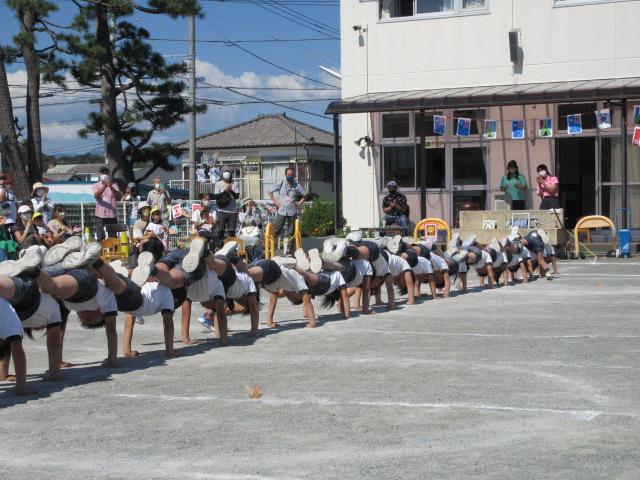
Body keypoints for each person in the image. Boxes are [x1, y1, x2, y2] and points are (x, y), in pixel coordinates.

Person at [268, 167, 307, 256]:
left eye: (292, 175)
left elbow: (305, 195)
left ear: (294, 176)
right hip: (282, 210)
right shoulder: (280, 183)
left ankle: (289, 250)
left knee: (291, 231)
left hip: (292, 211)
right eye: (289, 175)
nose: (290, 176)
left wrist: (299, 203)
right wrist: (275, 202)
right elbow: (270, 191)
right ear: (285, 175)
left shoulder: (297, 185)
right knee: (276, 230)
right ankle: (272, 249)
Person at [92, 166, 120, 241]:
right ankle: (101, 252)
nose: (105, 174)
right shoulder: (96, 185)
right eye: (103, 173)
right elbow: (96, 195)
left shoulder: (114, 184)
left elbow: (118, 195)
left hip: (112, 214)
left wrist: (111, 187)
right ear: (99, 174)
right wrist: (104, 186)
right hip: (100, 214)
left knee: (113, 237)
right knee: (100, 236)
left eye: (106, 173)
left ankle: (113, 252)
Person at [213, 169, 240, 242]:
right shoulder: (218, 184)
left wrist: (231, 190)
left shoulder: (235, 183)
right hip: (221, 210)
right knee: (221, 230)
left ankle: (232, 246)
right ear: (222, 175)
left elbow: (237, 196)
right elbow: (217, 196)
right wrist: (226, 190)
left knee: (232, 230)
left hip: (232, 211)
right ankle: (220, 244)